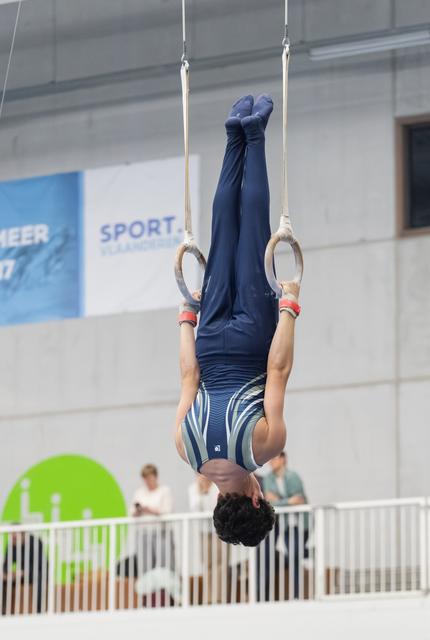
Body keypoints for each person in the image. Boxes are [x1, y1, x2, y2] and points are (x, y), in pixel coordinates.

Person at [175, 94, 301, 547]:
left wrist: (289, 308)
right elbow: (189, 374)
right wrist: (188, 318)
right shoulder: (184, 448)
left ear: (253, 501)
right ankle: (233, 134)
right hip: (208, 337)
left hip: (251, 337)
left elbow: (277, 371)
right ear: (216, 504)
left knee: (254, 229)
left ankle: (254, 132)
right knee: (223, 231)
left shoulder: (262, 448)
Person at [262, 451, 309, 599]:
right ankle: (307, 552)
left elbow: (299, 500)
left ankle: (296, 595)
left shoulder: (293, 476)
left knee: (294, 554)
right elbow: (270, 502)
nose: (271, 462)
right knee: (291, 554)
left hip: (299, 523)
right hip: (283, 523)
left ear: (283, 459)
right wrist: (288, 501)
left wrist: (279, 501)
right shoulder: (268, 479)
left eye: (274, 458)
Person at [130, 464, 174, 573]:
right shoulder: (139, 493)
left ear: (156, 476)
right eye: (145, 478)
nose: (147, 481)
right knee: (144, 565)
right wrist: (139, 510)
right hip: (144, 533)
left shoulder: (164, 490)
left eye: (149, 478)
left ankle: (164, 589)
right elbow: (131, 512)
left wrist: (150, 510)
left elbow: (167, 510)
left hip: (162, 533)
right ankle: (147, 589)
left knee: (164, 564)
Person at [188, 474, 224, 603]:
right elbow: (195, 509)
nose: (201, 476)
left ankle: (219, 597)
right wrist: (202, 491)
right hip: (204, 530)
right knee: (208, 564)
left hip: (220, 530)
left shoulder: (218, 486)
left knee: (220, 564)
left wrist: (208, 490)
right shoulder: (193, 489)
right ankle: (209, 599)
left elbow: (216, 507)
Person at [2, 528, 48, 615]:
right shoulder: (11, 545)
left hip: (37, 572)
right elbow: (6, 564)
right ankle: (3, 612)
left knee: (39, 578)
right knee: (3, 581)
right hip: (21, 576)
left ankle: (39, 612)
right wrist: (5, 574)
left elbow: (40, 564)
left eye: (15, 537)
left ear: (23, 535)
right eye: (11, 537)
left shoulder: (35, 542)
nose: (13, 539)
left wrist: (23, 572)